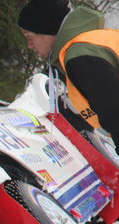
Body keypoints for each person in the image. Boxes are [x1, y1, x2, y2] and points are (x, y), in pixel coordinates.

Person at [18, 0, 119, 153]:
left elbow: (115, 113)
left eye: (29, 36)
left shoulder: (80, 55)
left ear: (47, 30)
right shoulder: (85, 45)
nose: (29, 45)